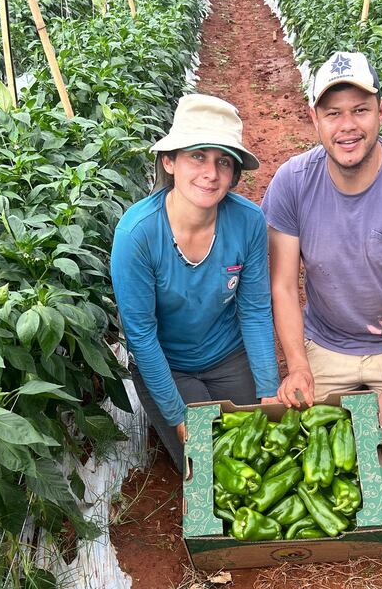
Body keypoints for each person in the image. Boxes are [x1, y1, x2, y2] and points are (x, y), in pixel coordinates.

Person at [261, 52, 382, 474]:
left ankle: (377, 397)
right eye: (333, 113)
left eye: (360, 110)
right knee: (298, 445)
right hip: (327, 339)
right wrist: (297, 365)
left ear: (381, 112)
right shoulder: (293, 182)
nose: (347, 126)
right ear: (315, 119)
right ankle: (343, 390)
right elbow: (282, 285)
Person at [111, 93, 279, 471]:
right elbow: (141, 335)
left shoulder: (248, 221)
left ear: (234, 173)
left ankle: (200, 402)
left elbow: (253, 310)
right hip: (169, 361)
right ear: (169, 161)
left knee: (258, 451)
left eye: (224, 161)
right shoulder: (137, 234)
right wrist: (176, 414)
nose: (211, 173)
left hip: (226, 354)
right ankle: (167, 407)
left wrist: (269, 392)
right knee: (208, 463)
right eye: (197, 156)